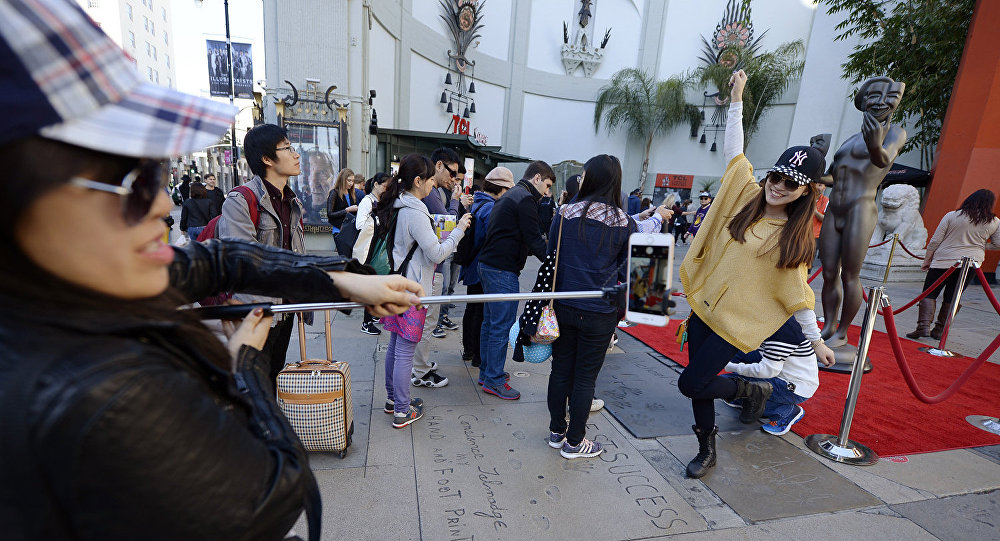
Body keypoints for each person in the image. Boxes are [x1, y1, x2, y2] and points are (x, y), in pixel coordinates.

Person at [0, 3, 424, 538]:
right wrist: (243, 369)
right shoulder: (104, 395)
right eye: (128, 181)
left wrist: (342, 280)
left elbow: (217, 260)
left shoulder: (65, 288)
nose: (160, 206)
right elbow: (271, 494)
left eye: (156, 172)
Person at [677, 70, 836, 479]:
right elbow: (735, 152)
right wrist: (737, 97)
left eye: (791, 184)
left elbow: (797, 295)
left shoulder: (793, 240)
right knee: (698, 387)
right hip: (704, 311)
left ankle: (754, 390)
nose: (778, 187)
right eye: (776, 177)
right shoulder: (746, 196)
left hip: (734, 325)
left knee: (691, 383)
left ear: (806, 192)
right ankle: (706, 448)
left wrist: (816, 344)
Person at [545, 155, 637, 459]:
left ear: (592, 179)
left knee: (560, 370)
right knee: (585, 378)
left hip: (563, 306)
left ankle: (557, 432)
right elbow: (631, 274)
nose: (580, 180)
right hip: (600, 313)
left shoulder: (564, 213)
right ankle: (575, 442)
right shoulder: (626, 223)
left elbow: (551, 258)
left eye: (583, 175)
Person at [374, 154, 471, 427]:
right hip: (413, 289)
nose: (431, 186)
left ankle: (394, 400)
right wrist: (459, 230)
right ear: (418, 181)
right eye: (429, 180)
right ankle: (403, 410)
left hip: (395, 284)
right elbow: (437, 253)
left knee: (395, 345)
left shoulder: (396, 204)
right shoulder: (414, 210)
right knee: (405, 350)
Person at [819, 76, 907, 348]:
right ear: (863, 101)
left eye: (888, 98)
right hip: (835, 208)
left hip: (860, 207)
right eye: (873, 97)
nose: (880, 103)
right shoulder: (849, 140)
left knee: (849, 275)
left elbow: (884, 159)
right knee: (829, 272)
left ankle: (843, 332)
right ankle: (829, 325)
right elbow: (832, 178)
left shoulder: (895, 133)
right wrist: (816, 159)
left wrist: (873, 144)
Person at [218, 123, 309, 383]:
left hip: (286, 308)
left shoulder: (292, 202)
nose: (296, 154)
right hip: (256, 311)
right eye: (288, 148)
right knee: (252, 383)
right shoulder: (240, 200)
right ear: (267, 159)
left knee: (273, 375)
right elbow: (242, 258)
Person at [477, 160, 556, 400]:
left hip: (489, 266)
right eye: (547, 185)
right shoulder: (525, 199)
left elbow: (521, 236)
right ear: (537, 178)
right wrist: (554, 263)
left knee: (490, 324)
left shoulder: (512, 195)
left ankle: (487, 372)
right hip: (502, 270)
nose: (547, 193)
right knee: (500, 326)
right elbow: (533, 239)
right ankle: (493, 379)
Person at [907, 189, 1000, 339]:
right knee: (952, 297)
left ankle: (923, 327)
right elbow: (998, 244)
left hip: (944, 260)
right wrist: (981, 246)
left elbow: (935, 240)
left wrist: (927, 260)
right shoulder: (994, 221)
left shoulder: (952, 215)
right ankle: (939, 330)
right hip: (971, 264)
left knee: (930, 293)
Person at [722, 316, 820, 435]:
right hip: (779, 370)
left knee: (726, 384)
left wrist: (729, 366)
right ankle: (745, 397)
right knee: (727, 377)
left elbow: (768, 371)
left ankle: (786, 411)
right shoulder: (772, 319)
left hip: (793, 385)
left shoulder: (783, 329)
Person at [460, 167, 515, 368]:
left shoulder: (478, 202)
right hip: (481, 264)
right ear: (501, 188)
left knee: (473, 307)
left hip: (473, 264)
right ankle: (476, 354)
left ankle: (469, 350)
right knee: (481, 312)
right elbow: (488, 239)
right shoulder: (491, 208)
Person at [420, 148, 472, 341]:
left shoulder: (433, 192)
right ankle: (421, 369)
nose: (453, 180)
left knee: (422, 326)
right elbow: (447, 226)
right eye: (452, 174)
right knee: (426, 326)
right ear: (439, 166)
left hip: (429, 264)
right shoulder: (431, 192)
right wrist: (455, 202)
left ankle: (420, 367)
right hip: (431, 266)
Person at [357, 172, 393, 335]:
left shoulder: (380, 201)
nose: (386, 189)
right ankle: (366, 322)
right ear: (376, 185)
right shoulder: (367, 201)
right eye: (384, 186)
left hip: (377, 247)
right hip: (370, 248)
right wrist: (376, 221)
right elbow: (360, 225)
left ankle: (373, 315)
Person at [326, 167, 360, 234]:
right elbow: (330, 214)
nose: (351, 183)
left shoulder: (351, 193)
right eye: (349, 180)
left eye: (353, 181)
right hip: (339, 230)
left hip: (350, 229)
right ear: (342, 180)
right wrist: (347, 210)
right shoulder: (334, 193)